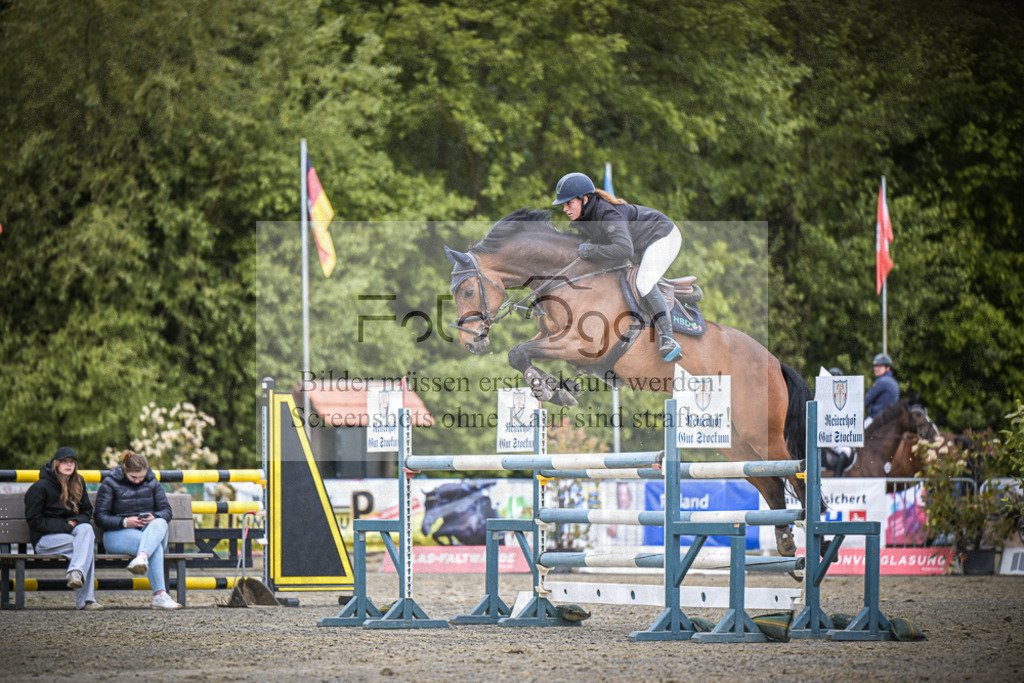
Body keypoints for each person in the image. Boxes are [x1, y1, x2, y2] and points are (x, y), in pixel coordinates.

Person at [552, 171, 682, 362]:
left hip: (663, 237)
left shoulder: (607, 213)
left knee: (643, 283)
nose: (565, 208)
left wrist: (590, 251)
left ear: (584, 199)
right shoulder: (584, 218)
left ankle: (669, 338)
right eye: (564, 204)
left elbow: (624, 249)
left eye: (568, 203)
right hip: (640, 244)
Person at [94, 449, 181, 609]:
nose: (138, 481)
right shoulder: (110, 483)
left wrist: (153, 517)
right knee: (153, 547)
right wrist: (125, 522)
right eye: (134, 477)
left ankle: (142, 557)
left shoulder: (152, 481)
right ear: (124, 470)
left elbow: (166, 511)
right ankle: (160, 596)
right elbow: (100, 517)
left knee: (160, 522)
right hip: (117, 535)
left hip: (149, 533)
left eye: (141, 476)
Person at [24, 446, 102, 610]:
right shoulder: (41, 486)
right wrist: (66, 527)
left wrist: (75, 521)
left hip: (72, 535)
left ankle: (76, 573)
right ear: (56, 463)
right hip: (45, 540)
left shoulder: (78, 482)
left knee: (86, 530)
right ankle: (86, 601)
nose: (69, 465)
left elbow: (87, 511)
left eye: (72, 462)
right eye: (65, 462)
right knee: (84, 547)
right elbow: (34, 520)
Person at [865, 352, 900, 422]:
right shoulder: (894, 382)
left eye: (880, 366)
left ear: (887, 368)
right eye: (875, 366)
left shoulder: (881, 382)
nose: (876, 369)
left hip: (877, 419)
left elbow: (866, 401)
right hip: (890, 419)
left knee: (858, 432)